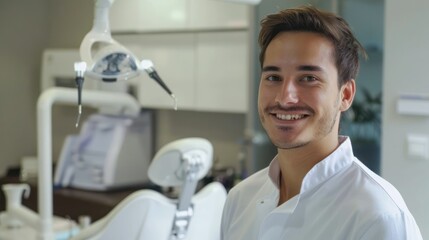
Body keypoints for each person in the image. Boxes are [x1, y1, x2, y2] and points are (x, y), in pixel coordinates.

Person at [220, 5, 422, 240]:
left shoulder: (379, 217)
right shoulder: (240, 199)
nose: (285, 97)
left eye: (308, 78)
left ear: (345, 96)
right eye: (273, 77)